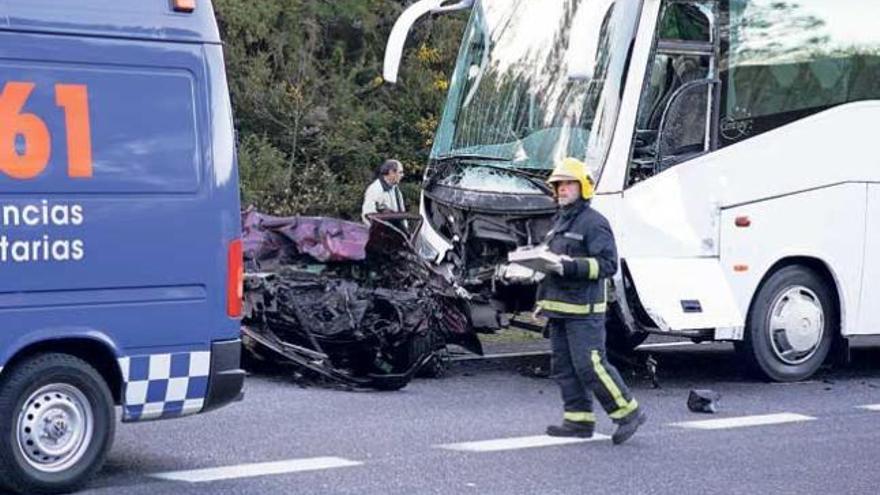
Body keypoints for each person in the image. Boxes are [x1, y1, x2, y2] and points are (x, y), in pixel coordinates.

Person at [536, 157, 646, 445]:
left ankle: (628, 412)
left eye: (568, 183)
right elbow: (550, 264)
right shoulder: (558, 223)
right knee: (563, 367)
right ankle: (578, 421)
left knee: (590, 365)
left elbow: (607, 265)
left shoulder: (594, 223)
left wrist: (570, 267)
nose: (562, 189)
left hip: (584, 310)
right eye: (558, 185)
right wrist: (540, 299)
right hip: (559, 308)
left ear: (583, 187)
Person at [361, 159, 406, 225]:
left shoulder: (396, 189)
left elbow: (402, 213)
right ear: (391, 172)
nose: (402, 175)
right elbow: (368, 215)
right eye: (400, 172)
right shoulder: (375, 189)